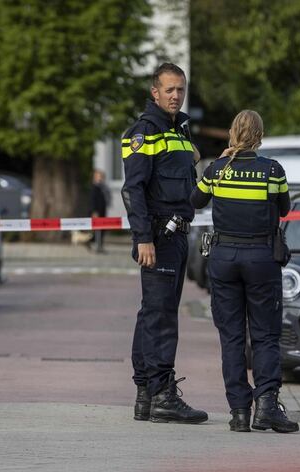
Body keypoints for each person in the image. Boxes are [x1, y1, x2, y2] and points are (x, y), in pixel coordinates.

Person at [190, 110, 298, 433]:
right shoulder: (272, 170)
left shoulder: (217, 170)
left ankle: (239, 411)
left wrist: (221, 161)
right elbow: (284, 209)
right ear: (260, 136)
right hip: (261, 259)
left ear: (232, 133)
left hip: (223, 258)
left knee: (232, 336)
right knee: (264, 334)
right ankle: (266, 406)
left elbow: (195, 200)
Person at [120, 62, 207, 424]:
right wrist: (143, 238)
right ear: (154, 92)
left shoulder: (180, 130)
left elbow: (185, 170)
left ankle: (145, 393)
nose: (175, 96)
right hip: (158, 234)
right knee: (161, 317)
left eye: (180, 90)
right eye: (169, 90)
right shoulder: (143, 133)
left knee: (152, 314)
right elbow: (133, 189)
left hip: (176, 232)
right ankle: (162, 394)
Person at [89, 169, 111, 253]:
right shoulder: (94, 187)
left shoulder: (102, 187)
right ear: (95, 177)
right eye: (99, 176)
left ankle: (98, 245)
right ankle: (96, 246)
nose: (100, 178)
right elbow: (93, 200)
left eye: (102, 176)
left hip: (102, 211)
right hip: (97, 212)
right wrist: (94, 211)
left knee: (102, 230)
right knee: (97, 231)